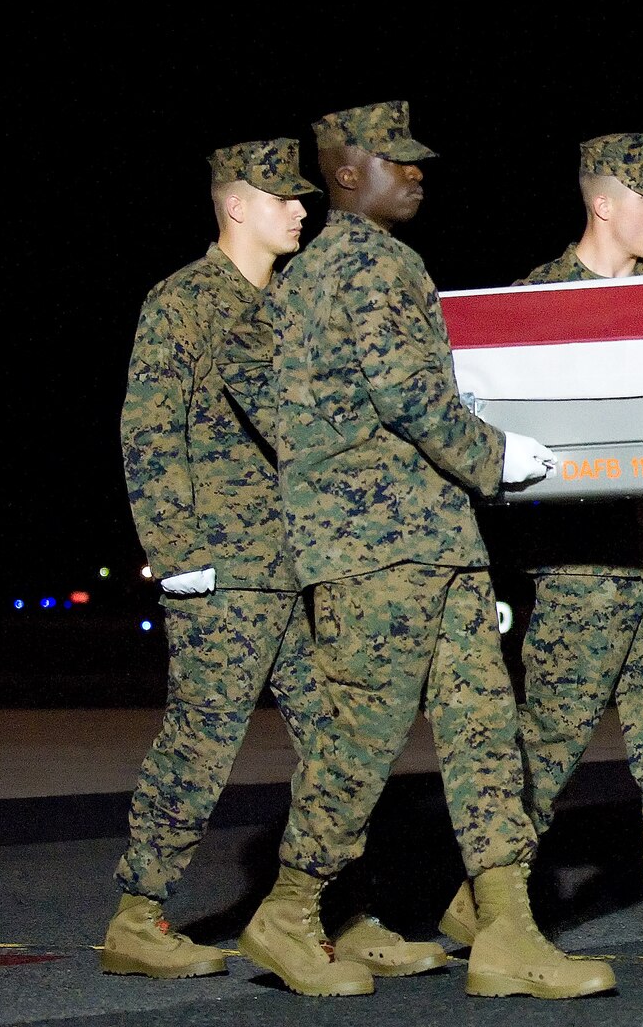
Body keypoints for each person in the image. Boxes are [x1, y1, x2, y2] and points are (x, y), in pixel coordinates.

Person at [240, 101, 612, 1000]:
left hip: (422, 542)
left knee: (485, 734)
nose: (414, 173)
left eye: (415, 161)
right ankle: (289, 912)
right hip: (379, 551)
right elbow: (408, 395)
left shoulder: (326, 272)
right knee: (362, 739)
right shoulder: (367, 262)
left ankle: (508, 931)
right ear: (342, 174)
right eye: (392, 161)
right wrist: (499, 458)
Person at [104, 140, 447, 978]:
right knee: (204, 736)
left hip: (303, 561)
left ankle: (342, 910)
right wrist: (175, 550)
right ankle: (137, 915)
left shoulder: (295, 302)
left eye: (304, 198)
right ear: (235, 207)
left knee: (337, 740)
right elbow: (147, 429)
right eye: (282, 199)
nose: (302, 210)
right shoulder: (188, 300)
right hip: (227, 566)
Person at [442, 133, 643, 944]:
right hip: (581, 570)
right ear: (604, 203)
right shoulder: (533, 305)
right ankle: (484, 902)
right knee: (545, 749)